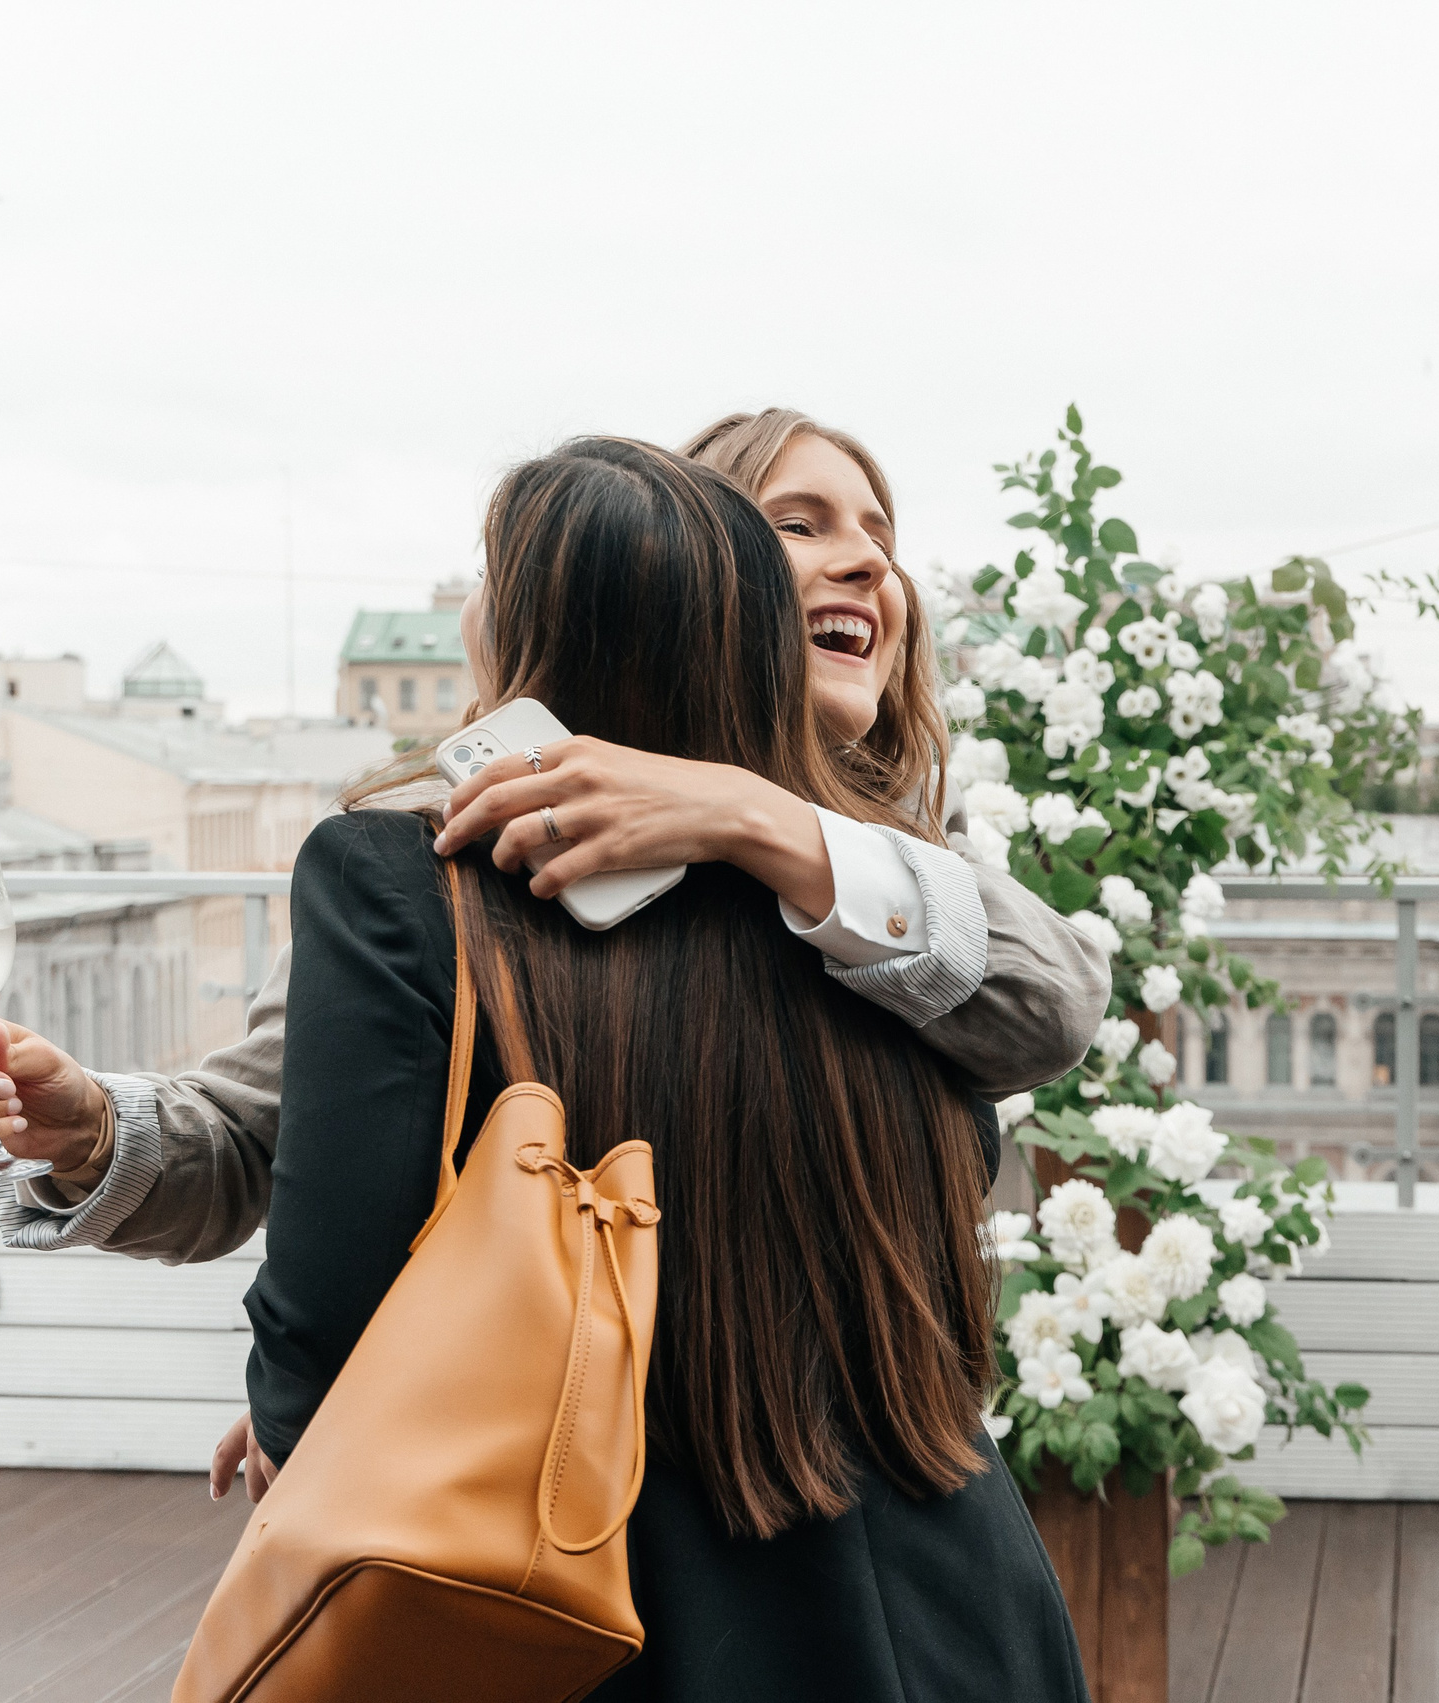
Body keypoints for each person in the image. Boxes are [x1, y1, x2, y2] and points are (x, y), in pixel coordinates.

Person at [245, 436, 1085, 1700]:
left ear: (525, 625)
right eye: (801, 525)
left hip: (622, 1614)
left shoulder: (403, 881)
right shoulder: (863, 903)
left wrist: (309, 1422)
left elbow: (328, 1300)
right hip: (953, 1607)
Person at [0, 409, 1103, 1267]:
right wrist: (89, 1128)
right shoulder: (456, 842)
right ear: (689, 576)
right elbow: (260, 1143)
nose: (869, 561)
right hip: (561, 1516)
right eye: (798, 523)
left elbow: (1049, 1013)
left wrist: (761, 820)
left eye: (879, 534)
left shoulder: (886, 860)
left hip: (873, 1490)